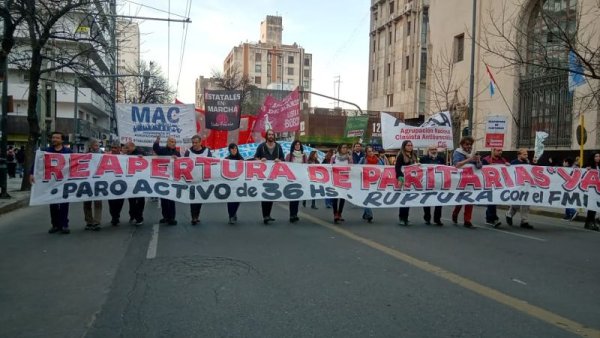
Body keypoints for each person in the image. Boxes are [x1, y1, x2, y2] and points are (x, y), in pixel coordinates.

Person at [30, 131, 72, 234]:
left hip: (64, 182)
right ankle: (55, 225)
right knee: (52, 204)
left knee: (64, 204)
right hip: (50, 182)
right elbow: (37, 164)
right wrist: (31, 173)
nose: (54, 139)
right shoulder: (46, 151)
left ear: (62, 140)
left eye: (57, 138)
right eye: (53, 138)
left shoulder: (68, 151)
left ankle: (64, 225)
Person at [253, 129, 284, 224]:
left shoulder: (278, 147)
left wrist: (279, 160)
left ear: (274, 136)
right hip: (263, 175)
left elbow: (282, 158)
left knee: (271, 194)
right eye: (269, 134)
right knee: (265, 194)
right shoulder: (261, 146)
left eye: (272, 135)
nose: (271, 136)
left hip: (274, 175)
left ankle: (268, 214)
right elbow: (255, 157)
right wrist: (260, 160)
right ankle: (265, 215)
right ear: (266, 136)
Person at [451, 136, 482, 228]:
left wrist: (478, 160)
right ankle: (455, 213)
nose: (469, 146)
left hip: (471, 180)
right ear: (462, 145)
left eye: (470, 144)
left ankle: (467, 220)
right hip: (461, 179)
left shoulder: (473, 154)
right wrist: (470, 159)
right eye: (466, 144)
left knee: (469, 200)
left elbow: (479, 167)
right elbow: (456, 165)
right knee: (461, 200)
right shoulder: (458, 153)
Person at [184, 135, 212, 225]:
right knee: (193, 199)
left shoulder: (207, 151)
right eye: (193, 143)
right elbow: (184, 163)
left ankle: (197, 215)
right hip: (192, 179)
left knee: (199, 198)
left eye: (196, 142)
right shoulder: (188, 152)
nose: (194, 144)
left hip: (202, 179)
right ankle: (193, 217)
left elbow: (211, 163)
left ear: (200, 142)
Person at [153, 136, 180, 225]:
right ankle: (165, 217)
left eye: (174, 142)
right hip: (163, 178)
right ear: (167, 142)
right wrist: (157, 141)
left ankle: (172, 218)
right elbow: (156, 149)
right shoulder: (163, 150)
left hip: (172, 179)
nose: (172, 143)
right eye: (171, 141)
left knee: (171, 199)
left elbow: (181, 164)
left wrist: (177, 159)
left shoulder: (177, 153)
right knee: (164, 200)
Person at [505, 148, 533, 229]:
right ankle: (509, 215)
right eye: (524, 154)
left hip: (526, 186)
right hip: (517, 186)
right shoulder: (514, 163)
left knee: (526, 204)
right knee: (516, 204)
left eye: (527, 154)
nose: (526, 156)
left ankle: (524, 221)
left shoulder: (527, 163)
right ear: (519, 155)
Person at [482, 148, 510, 228]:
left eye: (501, 150)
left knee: (494, 201)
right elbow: (481, 169)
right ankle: (493, 218)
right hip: (489, 183)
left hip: (499, 184)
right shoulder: (486, 160)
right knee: (492, 201)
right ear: (493, 150)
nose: (500, 152)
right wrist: (488, 167)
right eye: (498, 150)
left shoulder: (503, 160)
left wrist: (508, 165)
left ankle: (489, 218)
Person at [419, 146, 445, 226]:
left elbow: (445, 169)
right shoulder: (423, 159)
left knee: (439, 201)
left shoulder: (441, 159)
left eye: (435, 149)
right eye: (432, 149)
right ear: (428, 150)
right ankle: (427, 218)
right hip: (427, 182)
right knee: (427, 201)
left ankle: (437, 219)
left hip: (438, 182)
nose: (434, 151)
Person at [359, 145, 385, 223]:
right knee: (367, 198)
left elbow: (383, 168)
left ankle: (365, 214)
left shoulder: (379, 160)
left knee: (369, 197)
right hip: (365, 181)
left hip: (374, 182)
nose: (371, 153)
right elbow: (356, 168)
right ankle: (369, 214)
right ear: (366, 153)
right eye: (369, 151)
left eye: (372, 151)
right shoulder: (363, 159)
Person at [395, 140, 418, 226]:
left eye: (411, 145)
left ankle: (406, 217)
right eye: (408, 145)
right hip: (404, 180)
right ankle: (401, 217)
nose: (410, 147)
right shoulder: (401, 156)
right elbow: (397, 168)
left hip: (412, 180)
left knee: (408, 199)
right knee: (403, 199)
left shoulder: (414, 155)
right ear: (404, 146)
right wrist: (400, 177)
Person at [124, 141, 145, 226]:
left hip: (140, 182)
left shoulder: (141, 152)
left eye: (127, 148)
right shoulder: (128, 155)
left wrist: (143, 157)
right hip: (131, 182)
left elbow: (148, 159)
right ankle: (133, 215)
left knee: (139, 201)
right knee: (132, 201)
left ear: (132, 147)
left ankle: (139, 217)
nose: (126, 150)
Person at [83, 139, 103, 231]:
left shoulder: (103, 154)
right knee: (87, 203)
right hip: (87, 182)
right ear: (91, 146)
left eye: (98, 146)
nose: (97, 147)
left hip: (98, 181)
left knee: (98, 203)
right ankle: (89, 222)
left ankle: (97, 222)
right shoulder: (85, 155)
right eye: (95, 146)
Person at [285, 140, 307, 223]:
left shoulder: (304, 156)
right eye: (296, 144)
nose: (297, 146)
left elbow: (306, 167)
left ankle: (295, 214)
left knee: (297, 197)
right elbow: (286, 167)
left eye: (299, 144)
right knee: (292, 198)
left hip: (300, 179)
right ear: (293, 146)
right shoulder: (289, 156)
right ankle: (291, 215)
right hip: (292, 179)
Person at [331, 144, 353, 223]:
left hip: (345, 180)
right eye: (343, 147)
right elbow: (329, 167)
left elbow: (352, 168)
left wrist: (350, 159)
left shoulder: (349, 157)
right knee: (335, 197)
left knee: (343, 197)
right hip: (335, 179)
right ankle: (335, 214)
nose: (345, 149)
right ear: (340, 149)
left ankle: (340, 213)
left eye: (346, 148)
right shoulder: (334, 157)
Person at [107, 141, 126, 226]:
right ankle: (114, 217)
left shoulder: (124, 156)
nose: (113, 149)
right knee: (111, 201)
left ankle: (116, 215)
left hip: (121, 181)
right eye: (112, 148)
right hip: (110, 182)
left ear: (119, 148)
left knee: (120, 201)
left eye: (115, 148)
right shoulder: (106, 156)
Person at [225, 143, 244, 224]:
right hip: (230, 183)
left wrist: (242, 163)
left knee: (237, 199)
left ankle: (234, 212)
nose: (234, 150)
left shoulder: (241, 158)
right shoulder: (226, 159)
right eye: (232, 149)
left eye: (235, 148)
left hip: (238, 183)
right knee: (230, 200)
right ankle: (231, 216)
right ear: (229, 150)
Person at [584, 152, 600, 231]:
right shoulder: (589, 165)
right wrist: (587, 170)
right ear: (593, 157)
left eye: (599, 156)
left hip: (597, 190)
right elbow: (582, 172)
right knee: (591, 206)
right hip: (590, 189)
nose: (598, 157)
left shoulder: (599, 166)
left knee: (595, 207)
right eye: (596, 156)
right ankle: (589, 222)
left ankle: (591, 222)